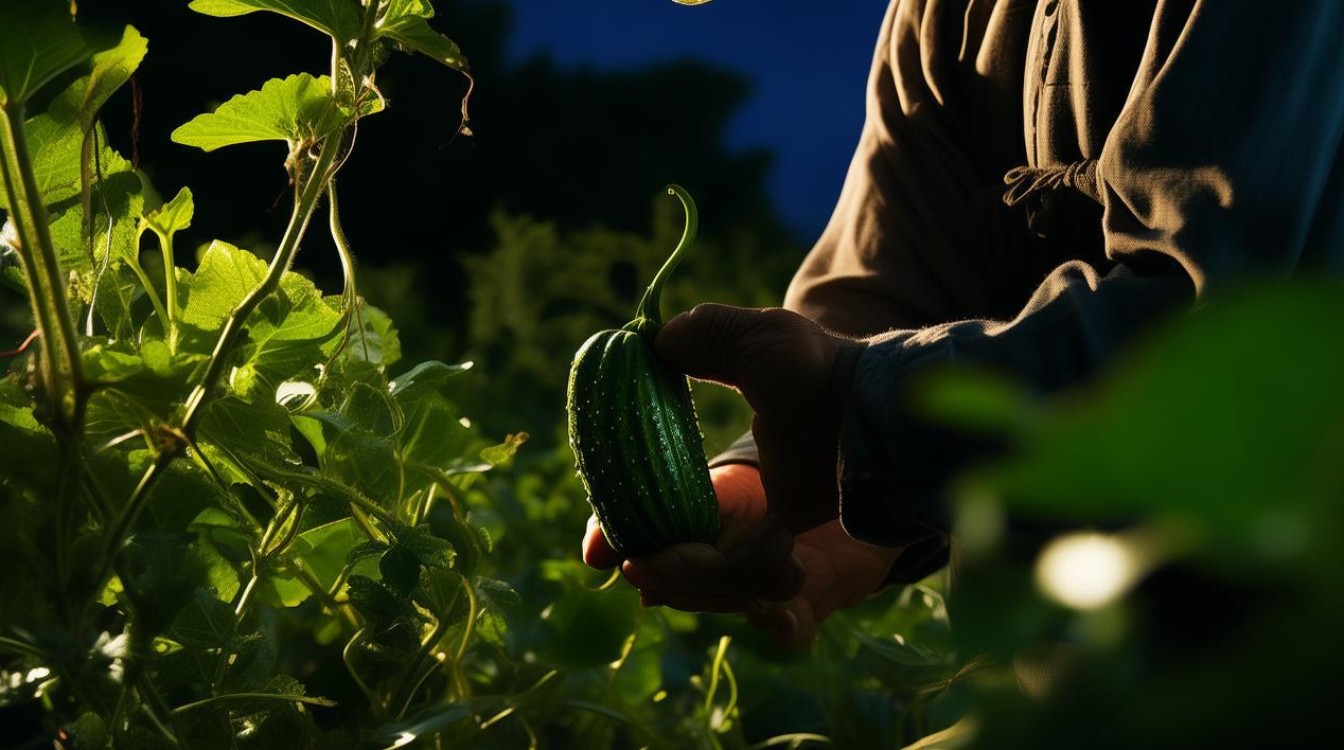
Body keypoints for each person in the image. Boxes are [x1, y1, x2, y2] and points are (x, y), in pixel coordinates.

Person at [583, 0, 1344, 646]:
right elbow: (891, 280)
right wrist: (779, 476)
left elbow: (1219, 330)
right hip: (1063, 676)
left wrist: (851, 413)